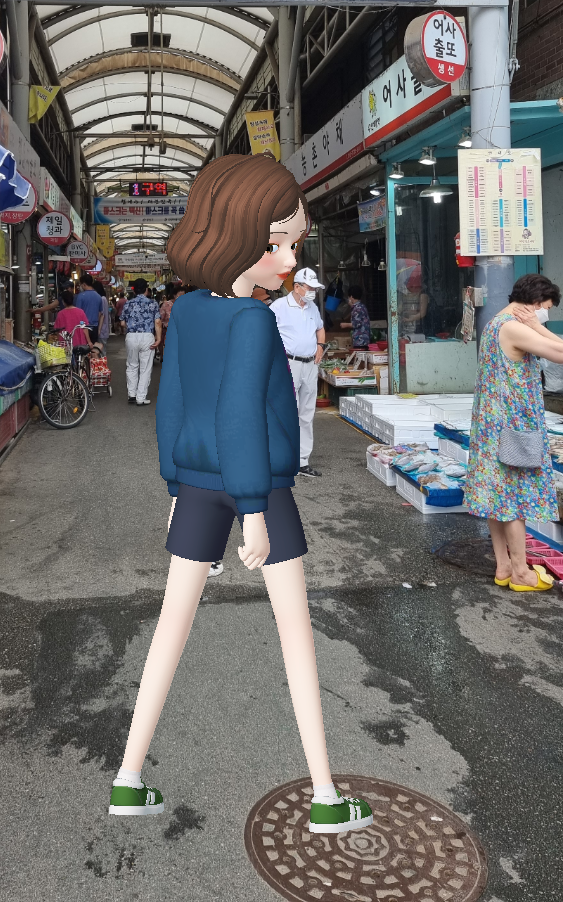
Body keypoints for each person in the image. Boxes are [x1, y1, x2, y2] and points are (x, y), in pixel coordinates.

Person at [109, 153, 372, 836]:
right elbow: (237, 414)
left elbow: (174, 403)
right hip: (258, 488)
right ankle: (323, 795)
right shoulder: (252, 321)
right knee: (295, 637)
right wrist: (254, 508)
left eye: (293, 242)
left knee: (171, 625)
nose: (289, 258)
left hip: (194, 484)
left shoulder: (188, 311)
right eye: (279, 241)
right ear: (240, 235)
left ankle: (129, 777)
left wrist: (174, 483)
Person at [466, 273, 563, 592]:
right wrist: (537, 327)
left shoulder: (496, 322)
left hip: (491, 427)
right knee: (513, 500)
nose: (546, 313)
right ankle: (521, 572)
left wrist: (535, 326)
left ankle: (504, 566)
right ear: (534, 304)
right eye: (546, 308)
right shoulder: (516, 328)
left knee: (498, 498)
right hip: (512, 427)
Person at [269, 267, 326, 478]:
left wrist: (320, 345)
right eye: (310, 287)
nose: (313, 292)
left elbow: (319, 328)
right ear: (297, 287)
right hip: (288, 364)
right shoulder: (279, 306)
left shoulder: (312, 307)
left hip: (310, 365)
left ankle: (302, 461)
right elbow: (266, 333)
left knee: (307, 414)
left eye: (314, 288)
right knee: (285, 411)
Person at [121, 278, 162, 406]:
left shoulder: (128, 303)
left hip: (132, 336)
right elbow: (157, 322)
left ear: (134, 290)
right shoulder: (153, 303)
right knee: (145, 368)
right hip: (147, 336)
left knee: (132, 365)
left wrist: (132, 326)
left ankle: (131, 395)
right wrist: (159, 338)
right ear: (146, 290)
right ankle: (141, 397)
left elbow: (122, 323)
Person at [75, 274, 106, 342]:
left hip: (84, 327)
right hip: (95, 327)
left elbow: (78, 313)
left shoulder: (81, 296)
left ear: (84, 284)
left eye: (81, 284)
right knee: (93, 350)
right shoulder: (98, 296)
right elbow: (100, 313)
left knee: (84, 349)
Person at [92, 279, 111, 350]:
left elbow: (102, 315)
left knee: (100, 350)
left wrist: (98, 329)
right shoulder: (104, 299)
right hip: (104, 329)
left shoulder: (101, 299)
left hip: (102, 329)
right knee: (102, 350)